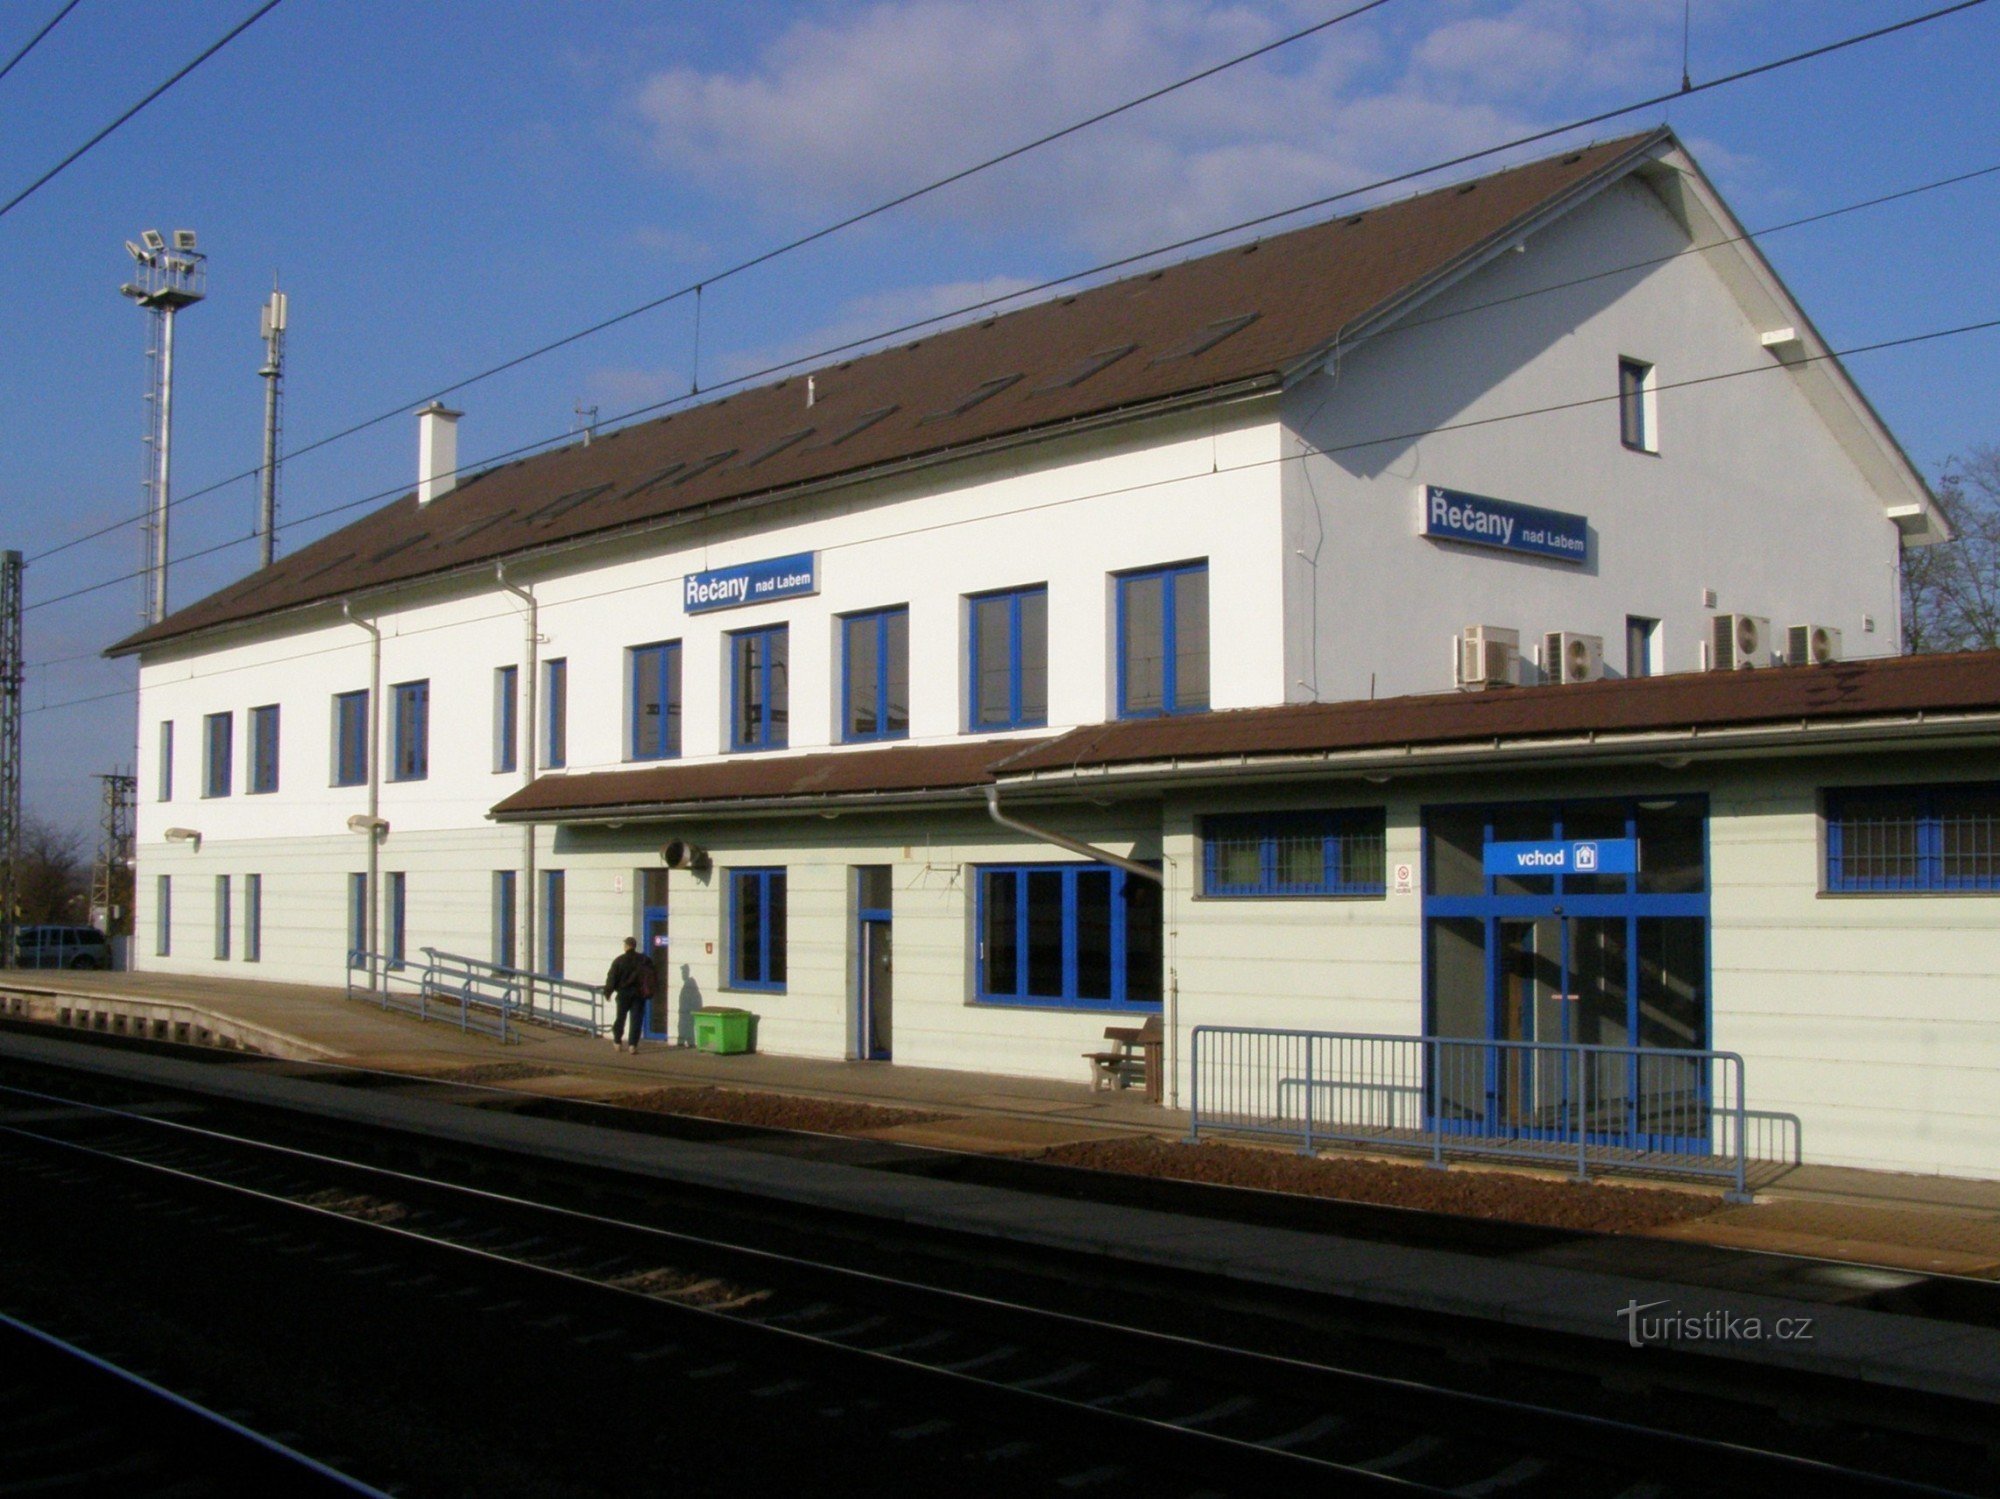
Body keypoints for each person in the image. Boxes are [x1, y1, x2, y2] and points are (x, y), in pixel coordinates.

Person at [603, 937, 654, 1054]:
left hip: (623, 993)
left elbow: (612, 978)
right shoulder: (644, 960)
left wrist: (608, 992)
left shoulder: (619, 960)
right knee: (636, 1019)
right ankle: (633, 1045)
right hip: (639, 994)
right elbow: (651, 976)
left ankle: (617, 1041)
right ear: (635, 946)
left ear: (626, 946)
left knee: (620, 1018)